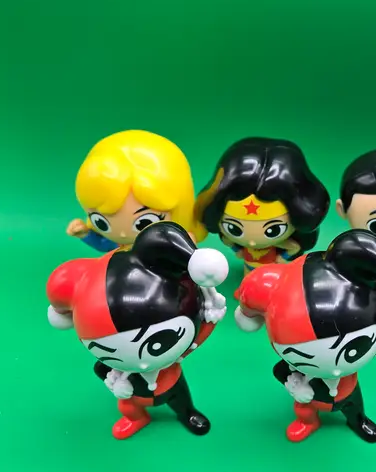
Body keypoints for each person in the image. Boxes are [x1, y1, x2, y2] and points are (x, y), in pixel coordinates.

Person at [234, 229, 376, 443]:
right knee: (304, 410)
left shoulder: (372, 332)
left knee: (355, 407)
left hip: (349, 391)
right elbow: (280, 371)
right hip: (311, 398)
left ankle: (358, 421)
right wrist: (297, 386)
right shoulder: (290, 363)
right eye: (305, 357)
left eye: (352, 349)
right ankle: (308, 422)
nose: (335, 369)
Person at [46, 222, 229, 440]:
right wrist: (115, 384)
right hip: (133, 394)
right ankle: (137, 418)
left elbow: (197, 338)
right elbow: (101, 369)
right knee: (127, 407)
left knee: (181, 400)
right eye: (110, 352)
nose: (142, 363)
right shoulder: (114, 368)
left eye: (156, 343)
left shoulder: (177, 353)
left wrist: (211, 315)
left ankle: (187, 413)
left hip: (171, 384)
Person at [195, 137, 329, 276]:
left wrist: (282, 258)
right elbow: (227, 240)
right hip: (249, 269)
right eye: (234, 228)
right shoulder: (240, 243)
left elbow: (293, 247)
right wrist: (238, 250)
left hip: (272, 272)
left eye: (273, 230)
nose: (252, 243)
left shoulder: (283, 244)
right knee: (249, 279)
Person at [66, 130, 206, 253]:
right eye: (100, 221)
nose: (122, 234)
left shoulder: (163, 245)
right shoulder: (119, 245)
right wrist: (85, 234)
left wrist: (185, 247)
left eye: (144, 222)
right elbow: (104, 245)